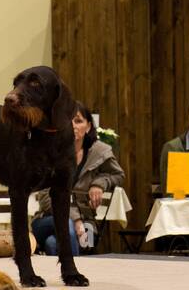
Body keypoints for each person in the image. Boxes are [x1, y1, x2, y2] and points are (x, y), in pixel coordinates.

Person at [32, 103, 125, 256]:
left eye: (78, 121)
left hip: (87, 225)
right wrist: (75, 219)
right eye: (67, 121)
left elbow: (118, 175)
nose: (72, 125)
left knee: (52, 243)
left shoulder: (99, 152)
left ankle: (66, 272)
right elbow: (46, 200)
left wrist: (99, 184)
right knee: (66, 224)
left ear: (88, 126)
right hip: (47, 221)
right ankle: (73, 272)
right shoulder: (49, 154)